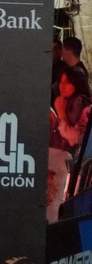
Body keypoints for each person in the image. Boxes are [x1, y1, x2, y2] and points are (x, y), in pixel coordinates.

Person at [49, 66, 91, 222]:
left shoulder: (80, 103)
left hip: (69, 165)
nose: (62, 86)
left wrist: (60, 112)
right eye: (61, 81)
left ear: (77, 83)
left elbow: (74, 138)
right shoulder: (65, 101)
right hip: (59, 163)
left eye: (67, 82)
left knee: (56, 205)